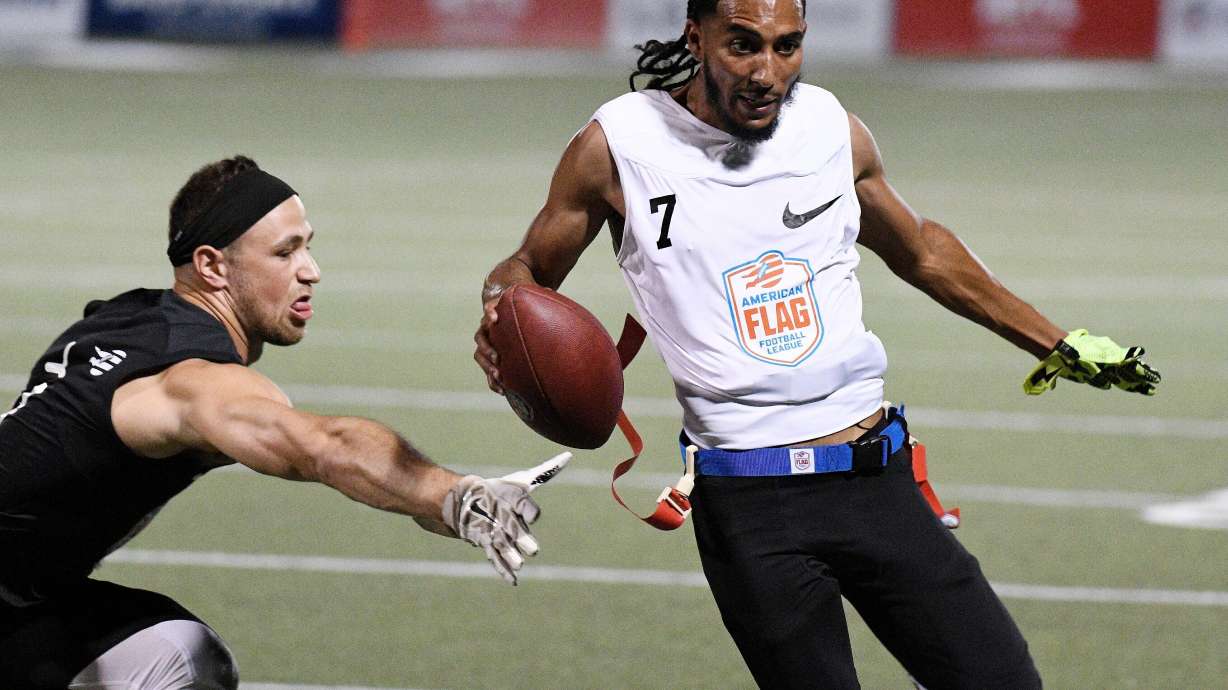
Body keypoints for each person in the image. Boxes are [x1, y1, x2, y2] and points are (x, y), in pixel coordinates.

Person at [473, 1, 1160, 688]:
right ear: (697, 36)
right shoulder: (619, 145)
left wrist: (1057, 342)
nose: (767, 72)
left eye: (787, 46)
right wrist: (502, 310)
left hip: (873, 480)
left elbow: (920, 251)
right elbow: (526, 267)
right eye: (743, 46)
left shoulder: (832, 129)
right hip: (750, 504)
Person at [0, 156, 567, 689]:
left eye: (308, 248)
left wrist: (430, 499)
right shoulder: (193, 382)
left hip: (26, 602)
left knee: (175, 650)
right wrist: (453, 494)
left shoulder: (127, 318)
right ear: (212, 265)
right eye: (285, 253)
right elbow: (323, 446)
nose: (311, 272)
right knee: (180, 660)